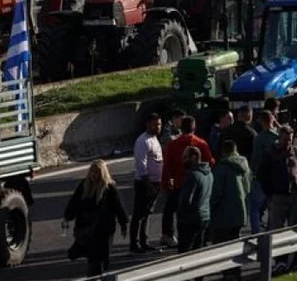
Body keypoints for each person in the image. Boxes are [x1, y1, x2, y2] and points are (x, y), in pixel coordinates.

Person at [64, 160, 128, 277]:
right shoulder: (84, 186)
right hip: (87, 228)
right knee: (91, 258)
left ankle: (99, 275)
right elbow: (74, 203)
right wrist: (67, 218)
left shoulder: (109, 188)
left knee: (100, 259)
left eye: (97, 172)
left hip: (103, 230)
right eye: (92, 172)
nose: (94, 175)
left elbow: (118, 207)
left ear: (102, 173)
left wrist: (123, 224)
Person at [160, 116, 215, 249]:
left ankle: (169, 234)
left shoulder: (173, 144)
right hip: (198, 184)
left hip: (179, 183)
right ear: (194, 127)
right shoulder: (200, 143)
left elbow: (167, 165)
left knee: (172, 210)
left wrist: (166, 182)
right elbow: (211, 162)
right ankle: (204, 236)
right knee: (200, 209)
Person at [259, 126, 297, 274]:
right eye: (285, 139)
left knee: (295, 228)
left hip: (293, 195)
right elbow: (262, 175)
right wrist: (269, 194)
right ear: (279, 137)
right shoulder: (270, 154)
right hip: (277, 196)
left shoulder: (295, 151)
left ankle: (293, 260)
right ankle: (280, 261)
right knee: (277, 231)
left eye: (290, 140)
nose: (288, 143)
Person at [211, 140, 252, 279]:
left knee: (223, 247)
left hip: (224, 215)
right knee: (236, 245)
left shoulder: (222, 168)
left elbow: (216, 193)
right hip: (240, 213)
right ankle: (236, 273)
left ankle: (228, 275)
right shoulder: (245, 166)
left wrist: (210, 208)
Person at [130, 113, 163, 253]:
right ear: (147, 124)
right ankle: (134, 244)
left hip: (155, 182)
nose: (158, 127)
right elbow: (141, 165)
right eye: (155, 124)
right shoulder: (143, 141)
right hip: (145, 183)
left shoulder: (155, 139)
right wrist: (148, 185)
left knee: (147, 213)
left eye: (159, 124)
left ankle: (144, 241)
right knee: (139, 214)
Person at [178, 146, 213, 254]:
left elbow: (186, 200)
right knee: (199, 250)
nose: (183, 160)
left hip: (191, 219)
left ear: (193, 157)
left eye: (185, 157)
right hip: (205, 216)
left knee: (185, 251)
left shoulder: (193, 176)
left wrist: (181, 216)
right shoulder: (209, 173)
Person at [249, 110, 279, 234]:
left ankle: (256, 233)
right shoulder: (277, 137)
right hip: (276, 176)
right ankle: (271, 230)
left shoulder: (259, 138)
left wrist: (253, 172)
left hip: (262, 176)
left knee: (254, 207)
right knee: (272, 206)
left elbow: (255, 158)